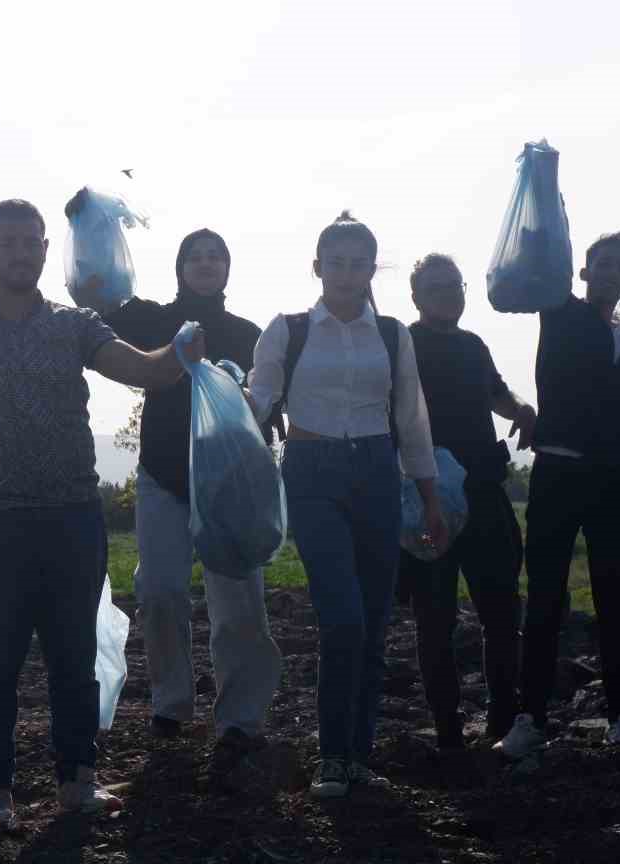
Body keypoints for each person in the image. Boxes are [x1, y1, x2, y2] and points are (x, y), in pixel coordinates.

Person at [0, 199, 208, 833]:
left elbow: (140, 369)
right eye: (9, 242)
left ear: (47, 250)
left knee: (73, 657)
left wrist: (177, 355)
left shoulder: (75, 325)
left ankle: (78, 780)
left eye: (32, 242)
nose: (22, 252)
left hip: (72, 516)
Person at [244, 212, 446, 800]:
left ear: (370, 271)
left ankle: (360, 757)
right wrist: (217, 412)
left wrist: (430, 496)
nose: (348, 274)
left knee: (376, 625)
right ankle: (331, 757)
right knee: (342, 619)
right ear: (318, 267)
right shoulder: (286, 329)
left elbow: (411, 417)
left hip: (378, 474)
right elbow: (257, 403)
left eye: (360, 264)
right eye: (338, 262)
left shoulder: (392, 334)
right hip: (312, 473)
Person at [95, 220, 284, 784]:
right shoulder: (152, 318)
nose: (206, 264)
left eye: (215, 256)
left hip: (229, 486)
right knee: (160, 590)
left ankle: (240, 717)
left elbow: (267, 408)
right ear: (179, 267)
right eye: (195, 256)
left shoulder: (250, 333)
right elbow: (98, 301)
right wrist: (94, 225)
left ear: (228, 268)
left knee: (238, 600)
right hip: (162, 475)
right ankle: (171, 705)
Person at [494, 232, 620, 761]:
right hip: (557, 475)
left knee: (614, 601)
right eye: (601, 264)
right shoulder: (559, 312)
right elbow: (538, 251)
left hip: (613, 485)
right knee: (545, 599)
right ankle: (530, 720)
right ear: (583, 273)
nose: (610, 272)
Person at [395, 253, 535, 752]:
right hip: (425, 495)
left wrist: (521, 408)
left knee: (501, 610)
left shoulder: (474, 345)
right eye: (435, 288)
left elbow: (497, 392)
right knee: (434, 617)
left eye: (453, 285)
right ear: (416, 297)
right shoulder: (402, 344)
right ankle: (448, 726)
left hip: (482, 487)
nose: (447, 294)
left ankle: (501, 716)